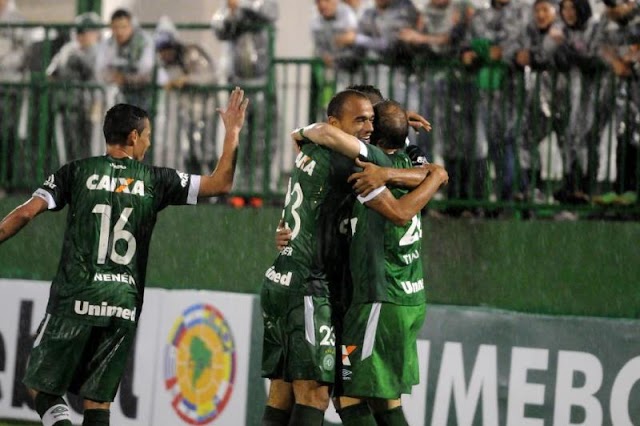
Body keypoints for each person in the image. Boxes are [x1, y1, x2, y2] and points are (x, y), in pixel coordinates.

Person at [0, 87, 248, 426]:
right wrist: (232, 133)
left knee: (37, 385)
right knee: (98, 402)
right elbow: (221, 183)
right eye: (147, 136)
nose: (148, 143)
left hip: (77, 296)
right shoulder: (157, 180)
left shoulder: (76, 171)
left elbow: (27, 213)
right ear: (133, 137)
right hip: (123, 303)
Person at [294, 100, 448, 425]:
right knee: (384, 399)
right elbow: (437, 173)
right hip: (406, 297)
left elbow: (401, 212)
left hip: (379, 299)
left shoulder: (370, 165)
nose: (363, 128)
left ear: (374, 139)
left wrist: (384, 173)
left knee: (348, 391)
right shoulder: (412, 163)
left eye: (368, 122)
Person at [212, 0, 279, 206]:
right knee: (237, 137)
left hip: (262, 84)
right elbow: (219, 28)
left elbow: (267, 14)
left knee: (262, 140)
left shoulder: (262, 3)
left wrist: (239, 8)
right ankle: (238, 189)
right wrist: (232, 13)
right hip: (237, 84)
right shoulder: (228, 9)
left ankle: (258, 191)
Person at [153, 16, 218, 175]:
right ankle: (196, 187)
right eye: (162, 51)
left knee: (206, 149)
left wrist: (186, 80)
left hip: (206, 107)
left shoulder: (192, 53)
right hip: (187, 110)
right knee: (188, 149)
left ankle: (215, 187)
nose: (165, 55)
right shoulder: (166, 65)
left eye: (167, 49)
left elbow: (209, 77)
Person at [47, 12, 103, 164]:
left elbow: (98, 79)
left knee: (89, 152)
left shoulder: (100, 51)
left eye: (86, 31)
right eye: (79, 31)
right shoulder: (67, 50)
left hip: (89, 108)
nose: (82, 35)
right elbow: (52, 73)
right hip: (66, 105)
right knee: (68, 152)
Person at [96, 8, 155, 111]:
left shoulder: (144, 42)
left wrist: (125, 79)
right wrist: (114, 77)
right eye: (115, 27)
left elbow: (147, 70)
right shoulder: (108, 44)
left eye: (124, 27)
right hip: (120, 97)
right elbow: (100, 70)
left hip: (146, 96)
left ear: (131, 26)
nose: (119, 32)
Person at [0, 0, 28, 195]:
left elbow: (25, 55)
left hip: (10, 87)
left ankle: (5, 183)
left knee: (7, 134)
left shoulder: (18, 19)